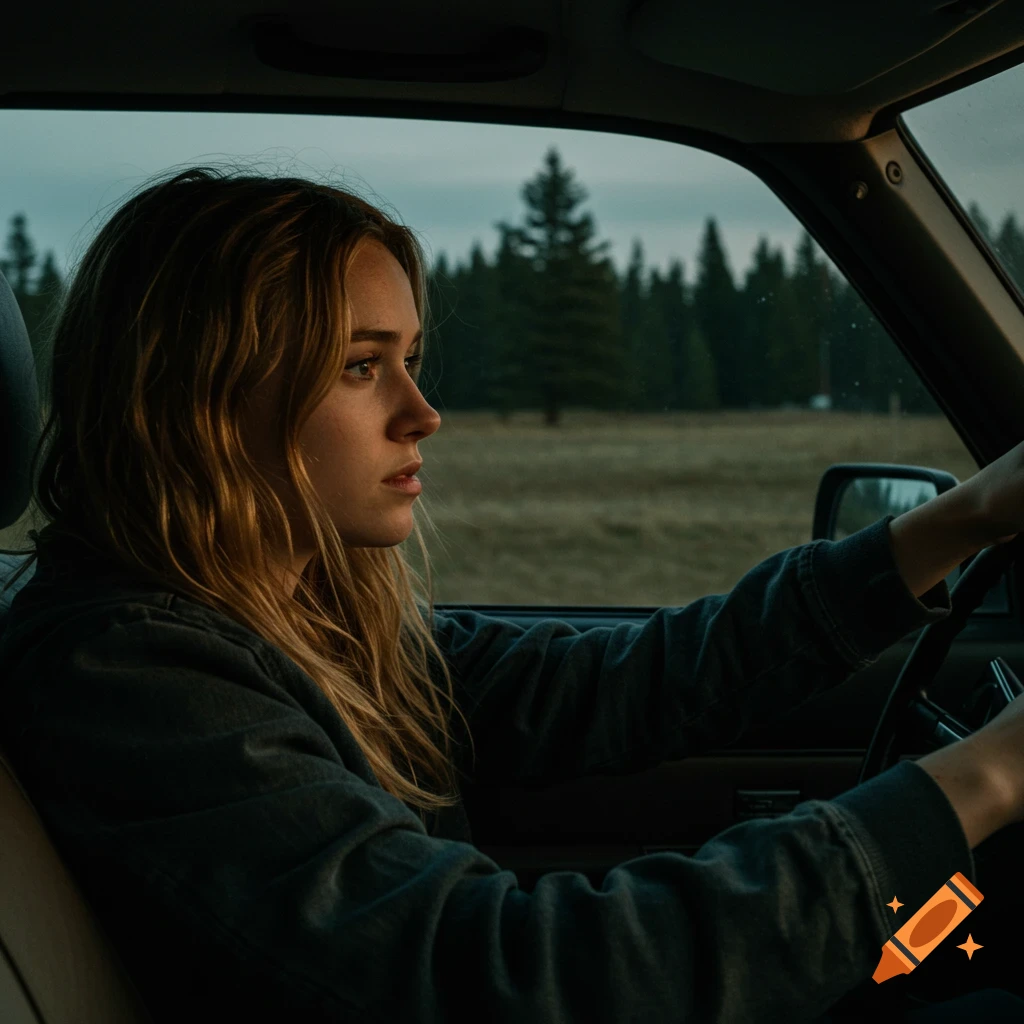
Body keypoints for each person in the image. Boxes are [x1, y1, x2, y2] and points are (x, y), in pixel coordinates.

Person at [1, 165, 1024, 1024]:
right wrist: (989, 776)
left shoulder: (291, 616)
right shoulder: (131, 673)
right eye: (362, 366)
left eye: (411, 359)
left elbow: (624, 681)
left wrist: (960, 515)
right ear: (203, 402)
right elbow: (515, 973)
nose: (423, 412)